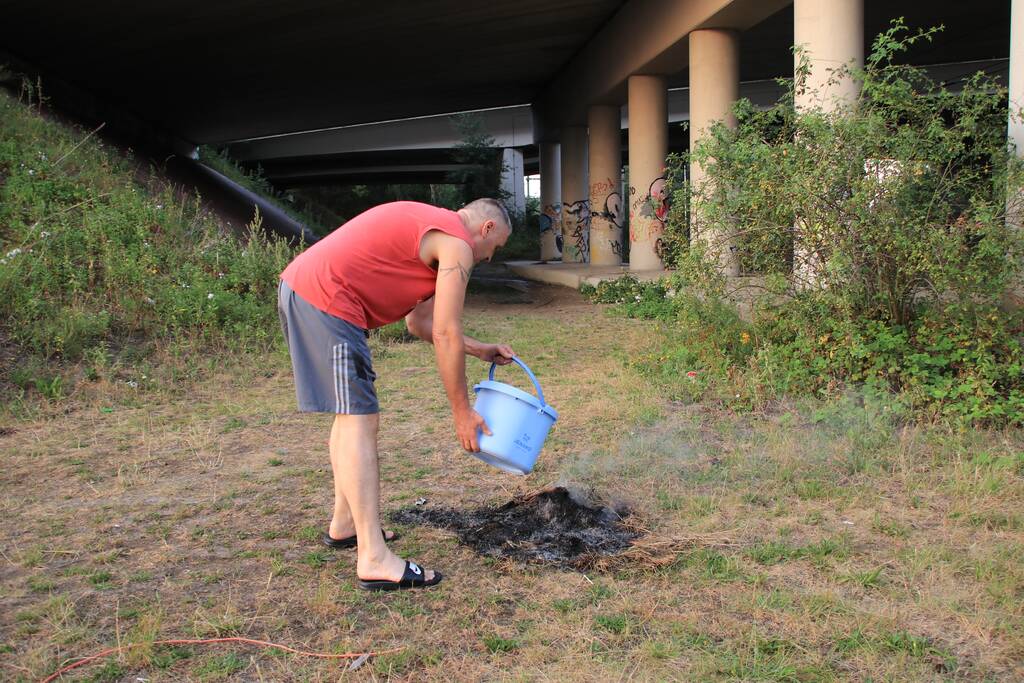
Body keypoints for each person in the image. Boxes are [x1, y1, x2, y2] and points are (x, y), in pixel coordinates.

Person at [277, 198, 515, 591]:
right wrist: (462, 412)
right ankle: (372, 557)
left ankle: (346, 523)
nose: (490, 257)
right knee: (358, 418)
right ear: (487, 229)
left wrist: (480, 349)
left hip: (312, 292)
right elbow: (444, 334)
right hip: (327, 298)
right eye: (497, 247)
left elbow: (420, 323)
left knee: (351, 413)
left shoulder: (438, 234)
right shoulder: (457, 244)